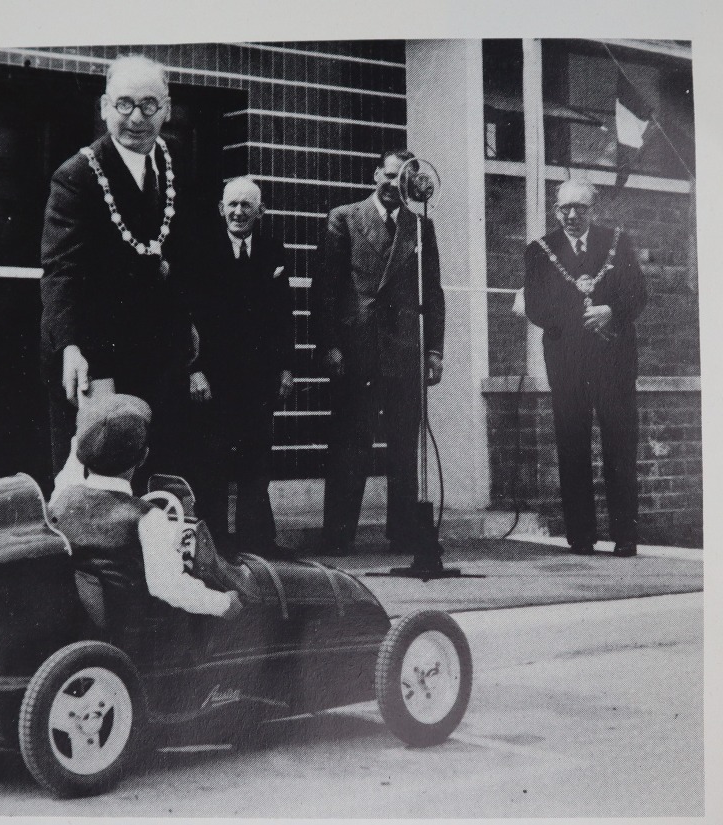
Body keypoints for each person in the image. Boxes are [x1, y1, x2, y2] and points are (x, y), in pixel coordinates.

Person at [40, 55, 194, 482]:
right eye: (124, 104)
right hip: (95, 350)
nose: (136, 118)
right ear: (105, 106)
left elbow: (187, 251)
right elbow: (61, 270)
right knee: (97, 480)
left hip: (159, 349)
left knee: (157, 471)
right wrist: (69, 347)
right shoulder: (76, 176)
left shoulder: (176, 158)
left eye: (149, 105)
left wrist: (188, 321)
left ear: (166, 108)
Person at [317, 149, 445, 555]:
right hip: (358, 347)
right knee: (350, 441)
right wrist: (330, 344)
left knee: (404, 445)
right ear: (377, 174)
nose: (394, 185)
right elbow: (326, 289)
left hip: (405, 347)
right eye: (389, 176)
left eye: (403, 179)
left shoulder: (420, 227)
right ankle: (338, 534)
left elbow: (433, 293)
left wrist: (434, 351)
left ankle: (404, 532)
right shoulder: (345, 218)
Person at [523, 178, 648, 557]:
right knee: (572, 446)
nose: (572, 215)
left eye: (581, 207)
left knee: (620, 445)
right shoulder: (540, 251)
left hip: (614, 360)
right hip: (568, 363)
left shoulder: (617, 242)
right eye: (565, 208)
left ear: (594, 209)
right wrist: (578, 315)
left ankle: (625, 536)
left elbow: (638, 295)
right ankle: (581, 536)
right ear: (555, 209)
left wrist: (612, 311)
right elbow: (536, 308)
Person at [48, 394, 241, 617]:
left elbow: (72, 465)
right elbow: (169, 586)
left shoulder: (62, 496)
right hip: (139, 634)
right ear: (143, 458)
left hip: (89, 624)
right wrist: (224, 603)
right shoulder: (149, 518)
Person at [188, 177, 294, 554]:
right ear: (221, 208)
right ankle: (214, 541)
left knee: (256, 460)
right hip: (213, 378)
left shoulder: (271, 250)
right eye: (232, 204)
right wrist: (194, 368)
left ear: (259, 211)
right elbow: (187, 315)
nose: (238, 212)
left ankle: (257, 541)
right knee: (213, 460)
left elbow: (283, 314)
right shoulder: (202, 250)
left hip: (259, 378)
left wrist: (285, 367)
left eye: (246, 205)